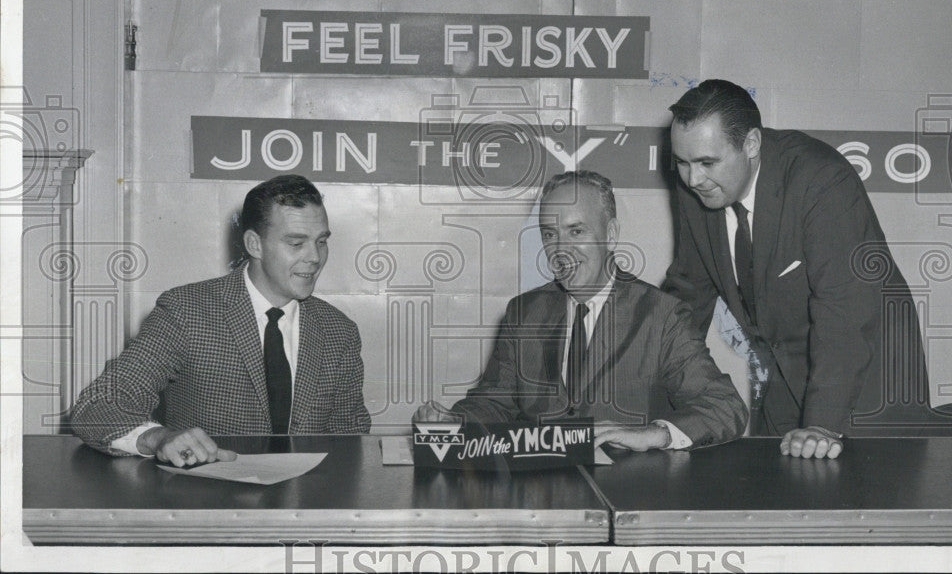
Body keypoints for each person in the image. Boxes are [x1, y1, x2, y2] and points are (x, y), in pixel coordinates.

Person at [663, 79, 931, 459]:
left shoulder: (822, 180)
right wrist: (647, 403)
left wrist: (822, 423)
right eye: (683, 163)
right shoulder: (698, 186)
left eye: (707, 162)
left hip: (867, 390)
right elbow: (688, 293)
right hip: (783, 386)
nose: (693, 179)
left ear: (751, 144)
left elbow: (846, 313)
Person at [414, 171, 747, 452]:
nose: (561, 250)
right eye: (550, 234)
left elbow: (724, 406)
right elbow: (494, 403)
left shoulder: (662, 316)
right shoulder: (523, 313)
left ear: (611, 235)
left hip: (627, 497)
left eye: (576, 231)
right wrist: (457, 422)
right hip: (541, 499)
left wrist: (653, 434)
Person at [71, 174, 371, 466]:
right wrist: (159, 438)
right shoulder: (186, 311)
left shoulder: (338, 331)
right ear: (254, 245)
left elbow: (350, 440)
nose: (315, 257)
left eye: (321, 241)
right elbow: (97, 406)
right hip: (207, 507)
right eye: (296, 243)